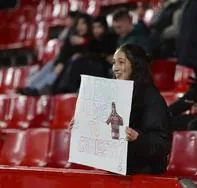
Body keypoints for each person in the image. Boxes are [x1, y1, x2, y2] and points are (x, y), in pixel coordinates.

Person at [69, 44, 171, 175]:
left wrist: (139, 138)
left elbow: (162, 145)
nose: (115, 68)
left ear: (136, 65)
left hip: (143, 174)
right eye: (114, 63)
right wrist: (81, 127)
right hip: (117, 171)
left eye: (121, 62)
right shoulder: (112, 96)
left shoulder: (152, 98)